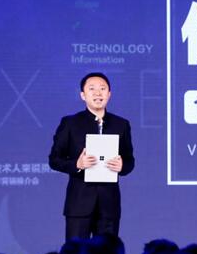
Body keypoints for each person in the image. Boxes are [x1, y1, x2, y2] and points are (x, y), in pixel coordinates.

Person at [49, 72, 134, 240]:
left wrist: (122, 166)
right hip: (79, 203)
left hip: (109, 205)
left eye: (102, 89)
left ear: (109, 94)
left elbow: (130, 161)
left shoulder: (121, 124)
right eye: (92, 89)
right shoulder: (70, 123)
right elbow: (54, 159)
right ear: (83, 95)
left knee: (107, 253)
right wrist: (77, 164)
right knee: (76, 252)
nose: (98, 93)